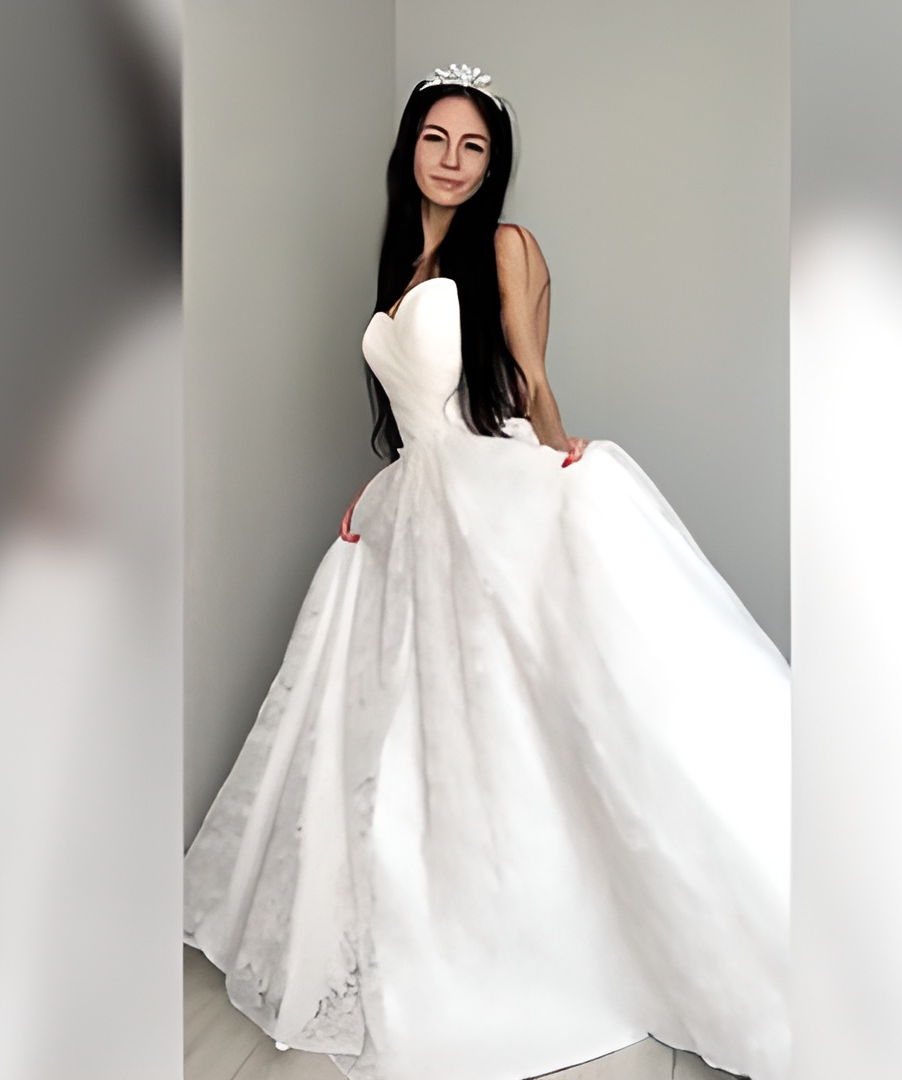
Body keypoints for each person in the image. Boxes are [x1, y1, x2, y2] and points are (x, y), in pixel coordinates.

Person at [182, 65, 791, 1080]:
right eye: (437, 138)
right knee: (427, 722)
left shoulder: (505, 245)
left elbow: (529, 374)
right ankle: (442, 897)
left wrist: (565, 459)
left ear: (492, 164)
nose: (454, 160)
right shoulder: (405, 269)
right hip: (419, 502)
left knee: (532, 708)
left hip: (484, 487)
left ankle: (570, 921)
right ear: (410, 148)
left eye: (474, 147)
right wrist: (378, 496)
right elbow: (417, 420)